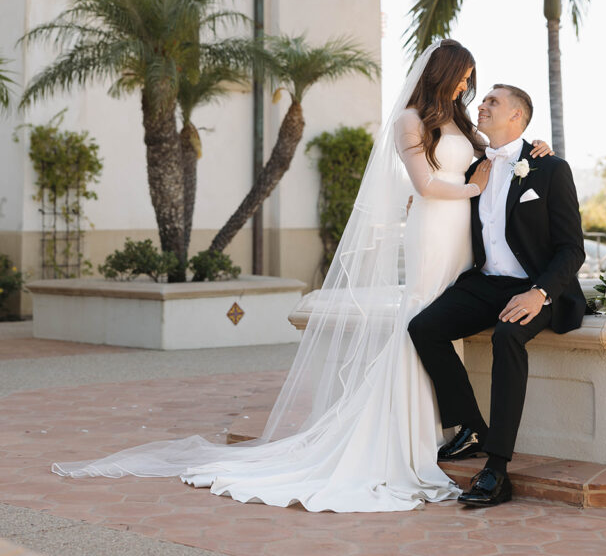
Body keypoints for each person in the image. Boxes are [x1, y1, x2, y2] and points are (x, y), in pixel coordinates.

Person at [53, 41, 551, 513]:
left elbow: (504, 152)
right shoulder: (408, 121)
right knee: (421, 317)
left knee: (439, 320)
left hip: (462, 238)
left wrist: (538, 150)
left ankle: (458, 425)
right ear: (445, 73)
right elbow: (424, 185)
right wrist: (472, 187)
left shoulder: (463, 124)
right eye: (465, 77)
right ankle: (415, 431)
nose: (469, 88)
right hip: (433, 229)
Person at [408, 83, 585, 509]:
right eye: (482, 99)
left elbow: (571, 248)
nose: (482, 105)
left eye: (493, 102)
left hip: (535, 285)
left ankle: (497, 468)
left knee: (508, 336)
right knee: (424, 327)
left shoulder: (550, 167)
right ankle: (471, 428)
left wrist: (540, 292)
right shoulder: (474, 170)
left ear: (517, 118)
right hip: (485, 283)